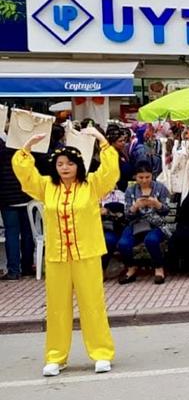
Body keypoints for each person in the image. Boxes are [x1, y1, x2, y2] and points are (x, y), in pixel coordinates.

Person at [13, 128, 118, 376]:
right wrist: (27, 146)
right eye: (60, 163)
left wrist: (102, 141)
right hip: (58, 256)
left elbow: (111, 172)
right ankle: (55, 357)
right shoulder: (46, 186)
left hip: (87, 253)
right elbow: (25, 175)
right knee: (57, 308)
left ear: (78, 165)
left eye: (70, 163)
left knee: (92, 305)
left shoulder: (91, 185)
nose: (65, 167)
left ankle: (101, 353)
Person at [117, 162, 172, 285]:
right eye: (140, 177)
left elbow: (167, 210)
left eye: (147, 177)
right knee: (123, 243)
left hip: (157, 224)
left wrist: (157, 204)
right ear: (135, 177)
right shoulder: (130, 190)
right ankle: (131, 268)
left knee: (151, 240)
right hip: (136, 224)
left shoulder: (160, 188)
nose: (144, 180)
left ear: (152, 176)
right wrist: (135, 206)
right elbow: (127, 214)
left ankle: (159, 268)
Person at [0, 138, 36, 280]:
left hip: (6, 197)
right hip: (26, 195)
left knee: (12, 233)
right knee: (28, 233)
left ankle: (14, 270)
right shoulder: (24, 143)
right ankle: (27, 267)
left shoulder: (2, 147)